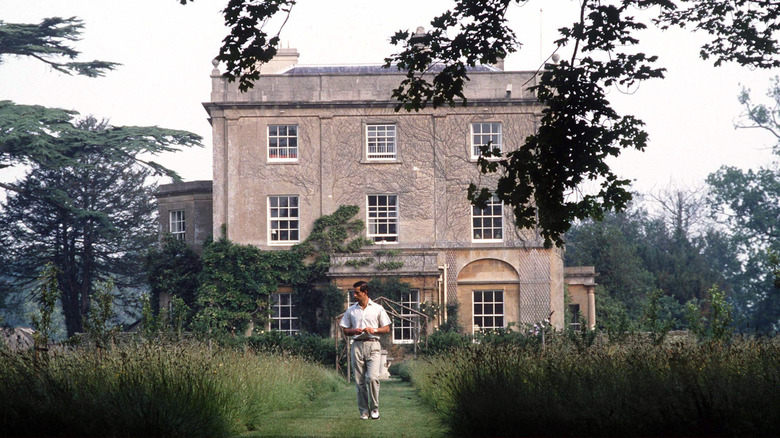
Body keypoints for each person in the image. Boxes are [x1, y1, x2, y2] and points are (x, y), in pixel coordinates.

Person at [340, 280, 391, 420]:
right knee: (359, 380)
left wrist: (373, 329)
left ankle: (375, 409)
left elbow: (386, 328)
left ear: (365, 292)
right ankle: (364, 411)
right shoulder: (351, 310)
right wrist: (354, 330)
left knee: (372, 378)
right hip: (356, 345)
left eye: (357, 293)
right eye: (354, 293)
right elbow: (344, 330)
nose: (355, 295)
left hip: (373, 345)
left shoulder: (378, 308)